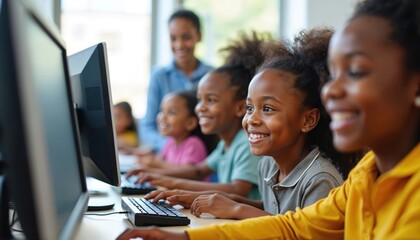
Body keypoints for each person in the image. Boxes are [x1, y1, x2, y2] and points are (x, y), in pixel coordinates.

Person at [117, 0, 420, 239]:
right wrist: (183, 238)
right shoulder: (365, 177)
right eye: (334, 75)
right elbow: (293, 228)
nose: (332, 91)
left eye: (355, 72)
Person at [143, 28, 360, 220]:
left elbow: (300, 234)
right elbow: (271, 212)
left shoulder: (319, 179)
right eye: (249, 108)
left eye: (267, 109)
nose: (252, 119)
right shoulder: (268, 164)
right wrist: (201, 198)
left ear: (308, 120)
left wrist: (236, 209)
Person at [126, 31, 272, 200]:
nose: (200, 108)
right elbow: (198, 170)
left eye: (211, 100)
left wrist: (174, 185)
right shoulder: (225, 145)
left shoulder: (246, 143)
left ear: (240, 108)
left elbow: (238, 190)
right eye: (199, 100)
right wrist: (155, 175)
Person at [140, 9, 213, 153]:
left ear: (199, 36)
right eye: (173, 38)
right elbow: (148, 127)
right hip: (169, 156)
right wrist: (173, 147)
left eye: (186, 37)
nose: (179, 45)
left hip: (205, 155)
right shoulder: (159, 76)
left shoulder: (212, 77)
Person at [138, 90, 213, 170]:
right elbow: (159, 160)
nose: (163, 117)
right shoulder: (170, 142)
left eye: (171, 112)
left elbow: (187, 172)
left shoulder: (194, 144)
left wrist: (157, 164)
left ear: (190, 123)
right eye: (162, 111)